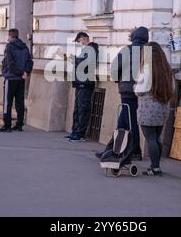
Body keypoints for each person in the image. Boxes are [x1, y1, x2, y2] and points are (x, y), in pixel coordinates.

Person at [96, 26, 149, 160]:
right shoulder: (148, 51)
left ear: (134, 37)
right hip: (142, 90)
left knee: (129, 121)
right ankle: (113, 149)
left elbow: (114, 68)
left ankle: (134, 150)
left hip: (126, 90)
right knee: (124, 120)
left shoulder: (127, 50)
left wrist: (118, 80)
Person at [134, 42, 174, 176]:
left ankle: (155, 167)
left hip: (147, 109)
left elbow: (139, 90)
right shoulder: (167, 70)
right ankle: (156, 166)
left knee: (150, 138)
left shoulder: (146, 69)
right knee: (156, 138)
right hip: (163, 108)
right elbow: (172, 89)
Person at [65, 32, 99, 142]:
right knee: (77, 109)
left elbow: (86, 63)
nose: (79, 44)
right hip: (80, 82)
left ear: (84, 39)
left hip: (85, 83)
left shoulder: (92, 49)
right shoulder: (86, 50)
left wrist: (74, 59)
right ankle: (75, 131)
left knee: (83, 109)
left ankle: (80, 134)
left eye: (79, 41)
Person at [0, 29, 33, 133]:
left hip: (11, 78)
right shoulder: (24, 46)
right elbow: (30, 61)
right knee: (19, 102)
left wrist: (20, 73)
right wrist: (25, 72)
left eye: (8, 36)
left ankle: (7, 125)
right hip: (21, 79)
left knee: (7, 103)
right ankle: (19, 124)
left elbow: (10, 63)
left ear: (10, 36)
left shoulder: (9, 47)